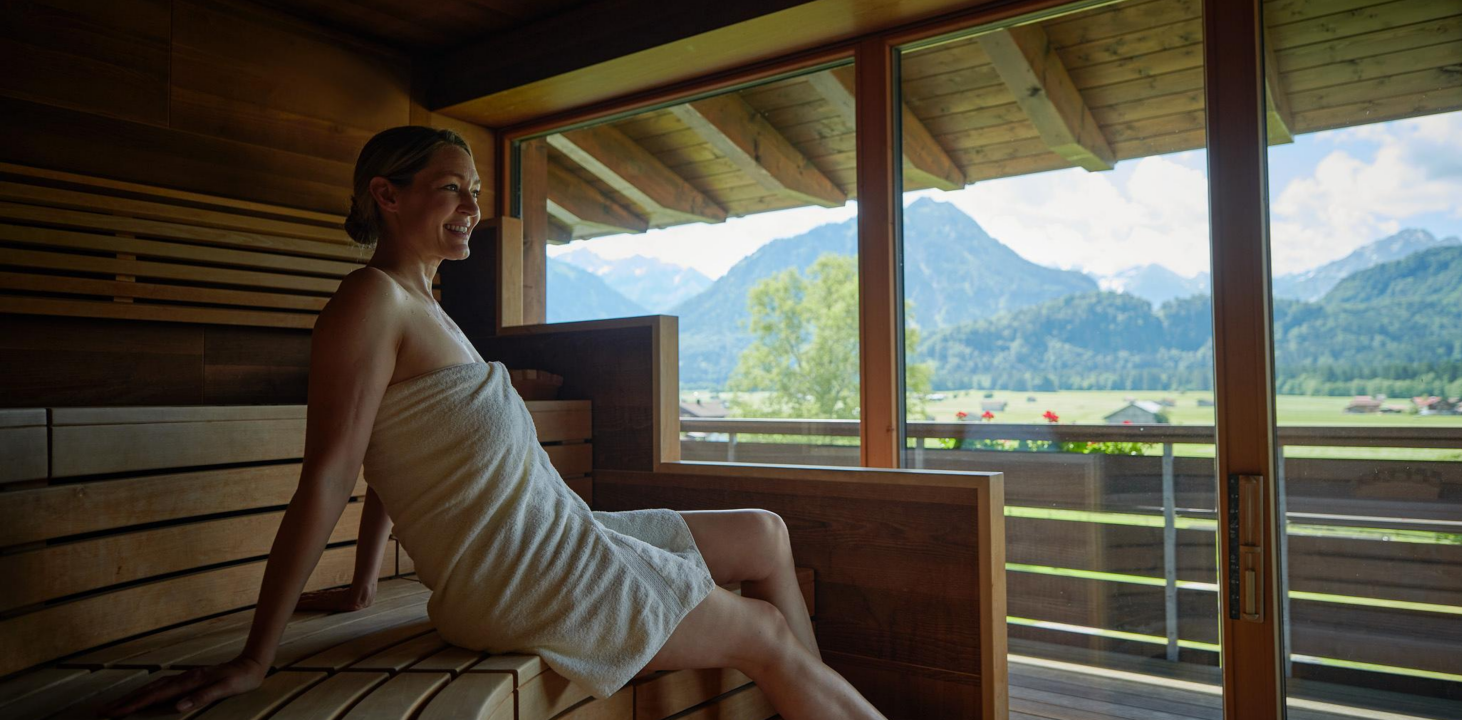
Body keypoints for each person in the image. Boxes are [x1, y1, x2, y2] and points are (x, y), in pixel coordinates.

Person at [101, 126, 885, 719]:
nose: (474, 207)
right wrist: (254, 657)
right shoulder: (369, 303)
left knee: (764, 534)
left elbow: (402, 456)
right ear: (388, 195)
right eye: (451, 189)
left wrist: (365, 582)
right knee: (764, 633)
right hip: (523, 573)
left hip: (557, 536)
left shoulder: (427, 307)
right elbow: (335, 470)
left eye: (475, 190)